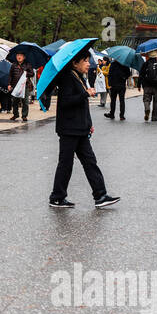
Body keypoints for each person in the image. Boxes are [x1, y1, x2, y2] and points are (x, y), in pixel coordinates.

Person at [39, 53, 119, 209]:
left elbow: (83, 105)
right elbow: (66, 102)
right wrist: (85, 93)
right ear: (75, 63)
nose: (89, 64)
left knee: (90, 162)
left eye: (89, 61)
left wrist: (89, 123)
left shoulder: (79, 76)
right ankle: (57, 197)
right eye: (85, 61)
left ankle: (100, 195)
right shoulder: (67, 78)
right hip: (69, 128)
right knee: (66, 164)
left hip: (80, 128)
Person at [7, 51, 33, 122]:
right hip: (15, 85)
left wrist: (26, 73)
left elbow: (32, 74)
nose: (19, 57)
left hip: (25, 85)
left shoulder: (28, 64)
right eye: (18, 55)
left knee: (25, 101)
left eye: (21, 55)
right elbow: (10, 75)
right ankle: (15, 114)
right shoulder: (13, 65)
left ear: (24, 57)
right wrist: (9, 84)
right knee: (14, 101)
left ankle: (24, 115)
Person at [139, 52, 157, 122]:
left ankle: (147, 108)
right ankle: (154, 117)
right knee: (156, 101)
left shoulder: (145, 64)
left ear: (148, 56)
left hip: (147, 85)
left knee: (146, 99)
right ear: (156, 56)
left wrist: (139, 85)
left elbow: (141, 75)